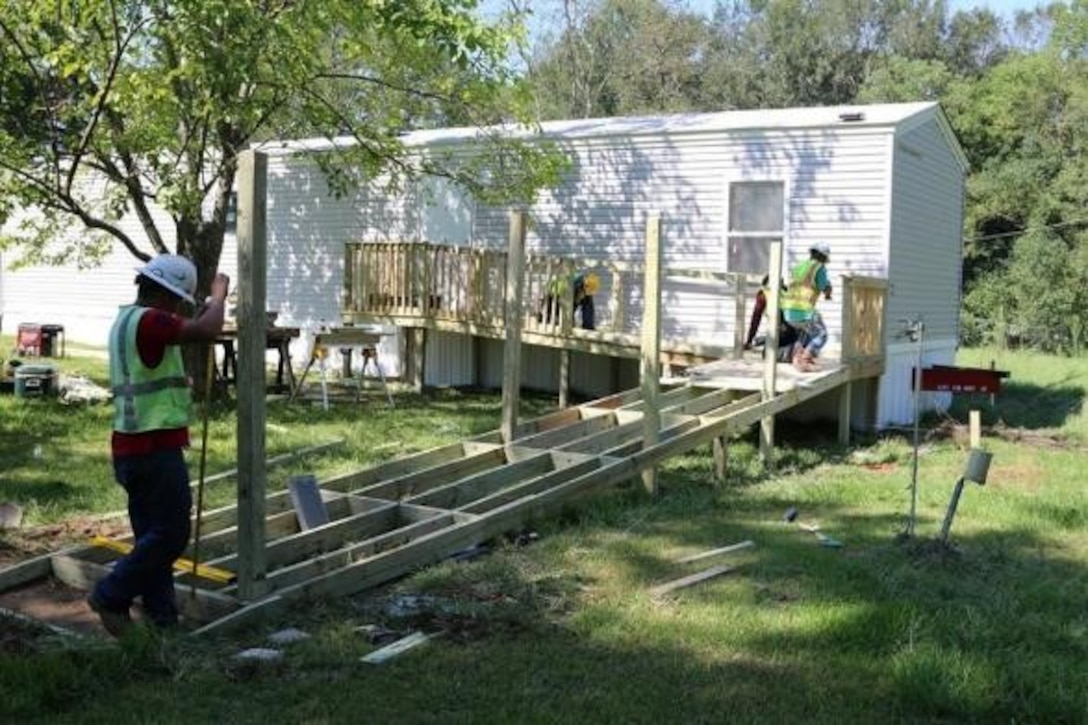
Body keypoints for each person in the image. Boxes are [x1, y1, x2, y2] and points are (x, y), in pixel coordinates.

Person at [87, 254, 230, 636]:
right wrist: (218, 297)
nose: (178, 309)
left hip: (131, 448)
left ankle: (162, 620)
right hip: (153, 449)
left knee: (152, 538)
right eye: (178, 302)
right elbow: (206, 331)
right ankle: (110, 594)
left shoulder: (126, 320)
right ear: (167, 295)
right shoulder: (151, 320)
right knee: (171, 534)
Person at [780, 242, 832, 372]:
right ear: (822, 256)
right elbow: (822, 286)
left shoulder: (799, 266)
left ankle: (798, 358)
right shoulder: (818, 268)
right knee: (821, 334)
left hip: (788, 310)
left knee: (806, 334)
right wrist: (828, 290)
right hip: (804, 310)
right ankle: (805, 360)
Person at [743, 275, 797, 360]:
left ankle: (760, 341)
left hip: (783, 331)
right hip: (796, 330)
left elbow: (756, 319)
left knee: (767, 356)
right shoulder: (786, 292)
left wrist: (749, 340)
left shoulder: (763, 295)